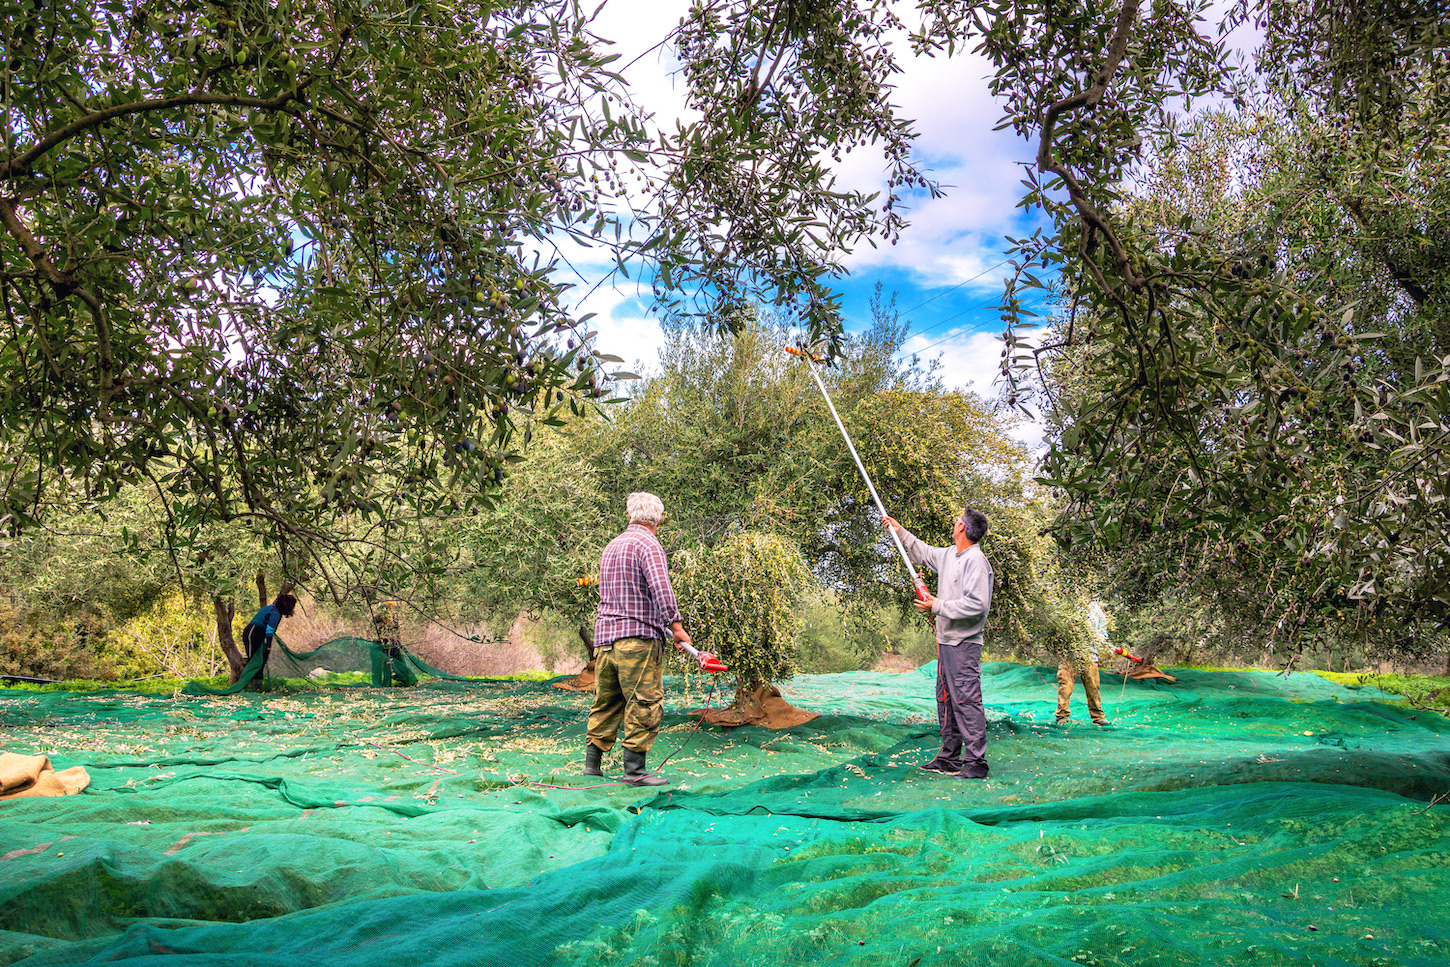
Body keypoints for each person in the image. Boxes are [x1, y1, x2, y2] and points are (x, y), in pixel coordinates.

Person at [584, 492, 692, 787]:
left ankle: (592, 767)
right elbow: (660, 587)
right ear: (659, 519)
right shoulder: (649, 545)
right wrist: (677, 627)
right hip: (638, 640)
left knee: (606, 701)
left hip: (605, 640)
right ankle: (635, 772)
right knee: (643, 702)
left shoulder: (611, 546)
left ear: (630, 515)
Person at [882, 508, 994, 778]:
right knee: (946, 699)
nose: (954, 523)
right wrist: (899, 531)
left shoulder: (976, 562)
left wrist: (937, 605)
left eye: (957, 521)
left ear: (963, 529)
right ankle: (949, 757)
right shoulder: (948, 555)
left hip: (964, 644)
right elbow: (923, 552)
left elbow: (978, 604)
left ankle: (976, 763)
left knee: (966, 701)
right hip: (946, 641)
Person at [1056, 602, 1108, 725]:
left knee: (1093, 688)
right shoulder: (1067, 604)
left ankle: (1099, 717)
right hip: (1069, 655)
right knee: (1065, 686)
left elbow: (1103, 631)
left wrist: (1102, 637)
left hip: (1090, 655)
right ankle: (1062, 716)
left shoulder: (1096, 610)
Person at [243, 593, 297, 689]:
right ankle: (248, 686)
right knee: (254, 660)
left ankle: (256, 687)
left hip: (258, 634)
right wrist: (268, 646)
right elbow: (269, 631)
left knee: (260, 661)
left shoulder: (274, 609)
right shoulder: (275, 613)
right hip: (252, 633)